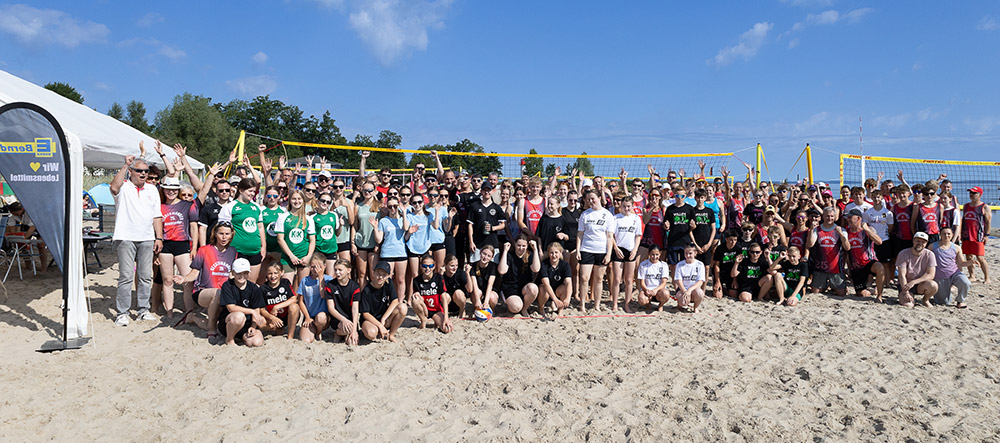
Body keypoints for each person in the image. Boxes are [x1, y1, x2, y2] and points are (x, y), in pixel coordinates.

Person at [110, 155, 164, 326]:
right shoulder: (125, 186)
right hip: (126, 237)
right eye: (139, 170)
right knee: (126, 276)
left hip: (147, 238)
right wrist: (125, 165)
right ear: (131, 172)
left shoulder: (152, 189)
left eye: (146, 171)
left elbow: (157, 216)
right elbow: (114, 187)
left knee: (145, 276)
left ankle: (143, 310)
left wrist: (159, 237)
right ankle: (122, 312)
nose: (143, 174)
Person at [173, 223, 237, 336]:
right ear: (215, 234)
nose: (224, 237)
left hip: (224, 295)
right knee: (218, 293)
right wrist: (184, 278)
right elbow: (195, 272)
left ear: (231, 235)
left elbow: (232, 275)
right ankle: (211, 330)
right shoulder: (204, 250)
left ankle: (192, 318)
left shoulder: (233, 252)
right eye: (221, 233)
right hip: (202, 292)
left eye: (227, 234)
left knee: (222, 323)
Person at [156, 177, 200, 320]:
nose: (171, 192)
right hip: (165, 244)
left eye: (174, 189)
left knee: (187, 281)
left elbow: (194, 226)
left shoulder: (187, 205)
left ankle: (189, 311)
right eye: (168, 189)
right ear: (163, 189)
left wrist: (194, 248)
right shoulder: (159, 206)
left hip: (183, 243)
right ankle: (169, 311)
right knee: (167, 280)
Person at [217, 178, 266, 282]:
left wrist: (263, 246)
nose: (252, 193)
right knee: (237, 282)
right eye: (250, 191)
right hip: (238, 250)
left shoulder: (256, 207)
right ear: (241, 190)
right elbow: (223, 230)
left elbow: (260, 227)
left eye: (254, 191)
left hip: (255, 250)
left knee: (251, 284)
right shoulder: (230, 207)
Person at [576, 189, 615, 311]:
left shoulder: (607, 215)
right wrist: (578, 250)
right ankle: (582, 304)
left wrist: (608, 254)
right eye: (588, 199)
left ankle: (596, 305)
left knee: (598, 279)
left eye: (593, 198)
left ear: (599, 197)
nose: (590, 201)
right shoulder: (585, 214)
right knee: (584, 278)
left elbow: (610, 236)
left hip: (601, 250)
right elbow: (580, 234)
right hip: (587, 249)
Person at [372, 194, 414, 303]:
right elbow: (379, 240)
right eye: (390, 206)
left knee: (400, 279)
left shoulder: (404, 218)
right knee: (387, 279)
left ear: (399, 205)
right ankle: (388, 301)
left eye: (395, 206)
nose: (393, 209)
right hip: (387, 253)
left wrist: (403, 213)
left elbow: (405, 228)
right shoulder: (383, 221)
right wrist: (376, 229)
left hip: (401, 252)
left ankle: (399, 302)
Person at [217, 258, 266, 347]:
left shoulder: (254, 288)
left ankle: (242, 336)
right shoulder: (227, 286)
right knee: (239, 316)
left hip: (247, 325)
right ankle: (230, 339)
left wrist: (253, 326)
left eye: (245, 273)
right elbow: (231, 308)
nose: (242, 276)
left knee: (257, 342)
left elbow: (256, 308)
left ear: (249, 273)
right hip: (230, 323)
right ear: (233, 273)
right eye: (239, 273)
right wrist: (252, 311)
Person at [276, 189, 316, 288]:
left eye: (299, 199)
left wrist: (308, 256)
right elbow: (280, 239)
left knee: (302, 288)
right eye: (294, 199)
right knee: (286, 287)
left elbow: (312, 240)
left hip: (304, 257)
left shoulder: (309, 219)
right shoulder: (283, 217)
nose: (296, 201)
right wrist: (291, 256)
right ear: (290, 200)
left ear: (303, 200)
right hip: (288, 258)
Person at [807, 207, 850, 297]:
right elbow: (810, 244)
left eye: (831, 216)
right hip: (820, 267)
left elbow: (847, 247)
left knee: (841, 293)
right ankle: (825, 285)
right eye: (827, 216)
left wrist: (841, 235)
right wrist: (811, 229)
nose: (829, 218)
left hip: (835, 267)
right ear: (823, 216)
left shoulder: (840, 229)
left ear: (834, 217)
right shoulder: (817, 229)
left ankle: (835, 285)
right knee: (815, 291)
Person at [360, 261, 407, 342]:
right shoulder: (366, 290)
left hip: (383, 318)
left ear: (388, 276)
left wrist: (384, 318)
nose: (380, 277)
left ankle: (391, 334)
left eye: (384, 275)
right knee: (370, 333)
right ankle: (378, 331)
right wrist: (379, 325)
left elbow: (395, 301)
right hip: (370, 320)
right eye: (378, 273)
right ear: (373, 273)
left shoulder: (388, 283)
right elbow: (365, 314)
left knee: (403, 307)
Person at [844, 208, 885, 301]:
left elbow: (879, 241)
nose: (848, 219)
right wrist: (848, 267)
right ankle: (870, 288)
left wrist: (867, 230)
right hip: (856, 267)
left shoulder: (868, 229)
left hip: (868, 262)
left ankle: (879, 295)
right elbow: (846, 251)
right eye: (847, 218)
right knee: (862, 294)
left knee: (880, 268)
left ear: (858, 218)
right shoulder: (846, 231)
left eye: (850, 217)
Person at [610, 193, 642, 312]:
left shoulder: (636, 218)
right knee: (617, 279)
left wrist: (635, 250)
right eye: (624, 206)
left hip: (630, 250)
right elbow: (611, 235)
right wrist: (615, 248)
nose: (626, 208)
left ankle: (627, 304)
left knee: (629, 280)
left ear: (632, 206)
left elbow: (638, 236)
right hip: (618, 250)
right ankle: (614, 304)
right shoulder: (616, 218)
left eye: (628, 206)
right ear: (621, 206)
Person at [931, 226, 975, 308]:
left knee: (966, 283)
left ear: (952, 235)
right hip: (940, 276)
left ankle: (960, 301)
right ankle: (946, 291)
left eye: (948, 234)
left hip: (954, 273)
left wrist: (971, 262)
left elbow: (961, 263)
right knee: (944, 302)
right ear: (940, 235)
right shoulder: (932, 246)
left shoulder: (957, 247)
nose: (946, 236)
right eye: (944, 234)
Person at [497, 236, 542, 316]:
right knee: (516, 307)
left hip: (524, 288)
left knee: (533, 288)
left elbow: (536, 269)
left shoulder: (530, 255)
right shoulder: (509, 255)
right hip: (510, 288)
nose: (521, 248)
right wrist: (505, 251)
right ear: (515, 244)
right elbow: (502, 271)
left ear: (527, 246)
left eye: (523, 246)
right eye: (519, 245)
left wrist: (535, 250)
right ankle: (515, 306)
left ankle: (524, 309)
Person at [410, 254, 454, 333]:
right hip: (424, 309)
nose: (427, 268)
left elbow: (443, 297)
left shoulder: (438, 278)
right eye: (424, 266)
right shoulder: (416, 280)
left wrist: (446, 318)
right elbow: (418, 298)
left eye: (430, 266)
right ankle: (423, 320)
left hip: (436, 310)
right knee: (414, 299)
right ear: (421, 266)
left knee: (447, 329)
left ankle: (436, 320)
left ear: (434, 266)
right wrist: (424, 308)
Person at [297, 253, 333, 343]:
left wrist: (321, 276)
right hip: (310, 316)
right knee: (306, 340)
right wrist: (307, 317)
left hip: (323, 317)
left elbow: (323, 295)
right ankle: (313, 330)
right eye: (312, 267)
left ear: (324, 266)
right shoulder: (305, 280)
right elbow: (301, 301)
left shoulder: (329, 280)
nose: (315, 269)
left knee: (321, 318)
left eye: (319, 266)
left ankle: (319, 332)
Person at [258, 261, 299, 339]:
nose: (273, 276)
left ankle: (290, 336)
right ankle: (278, 329)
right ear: (266, 274)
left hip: (287, 316)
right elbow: (262, 310)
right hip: (273, 318)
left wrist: (276, 307)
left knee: (294, 307)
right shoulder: (263, 288)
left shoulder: (285, 283)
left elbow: (294, 299)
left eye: (276, 273)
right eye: (270, 273)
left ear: (282, 273)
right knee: (261, 323)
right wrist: (272, 318)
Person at [896, 232, 938, 308]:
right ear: (913, 241)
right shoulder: (903, 253)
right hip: (906, 284)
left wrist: (914, 282)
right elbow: (902, 275)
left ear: (926, 243)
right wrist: (906, 293)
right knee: (908, 305)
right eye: (918, 241)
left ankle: (925, 300)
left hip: (920, 283)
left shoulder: (930, 254)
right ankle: (905, 296)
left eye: (923, 242)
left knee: (933, 285)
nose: (920, 243)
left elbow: (931, 274)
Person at [325, 258, 362, 345]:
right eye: (335, 270)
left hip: (350, 320)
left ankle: (342, 334)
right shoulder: (330, 285)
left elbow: (355, 309)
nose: (337, 272)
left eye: (340, 270)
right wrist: (343, 320)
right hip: (337, 319)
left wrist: (354, 331)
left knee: (352, 342)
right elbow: (331, 308)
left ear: (348, 270)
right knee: (347, 329)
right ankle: (337, 333)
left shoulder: (355, 287)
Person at [962, 186, 992, 284]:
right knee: (968, 256)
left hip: (978, 235)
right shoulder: (966, 206)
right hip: (967, 235)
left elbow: (988, 222)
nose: (971, 195)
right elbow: (964, 220)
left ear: (980, 195)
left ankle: (987, 278)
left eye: (974, 193)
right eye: (970, 193)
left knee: (980, 257)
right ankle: (972, 276)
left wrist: (987, 235)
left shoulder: (984, 207)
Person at [353, 182, 380, 288]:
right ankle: (363, 297)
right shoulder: (358, 206)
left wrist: (379, 244)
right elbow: (355, 226)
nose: (367, 193)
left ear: (374, 191)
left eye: (370, 190)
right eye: (365, 190)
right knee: (362, 274)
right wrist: (352, 243)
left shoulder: (379, 205)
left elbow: (382, 227)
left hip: (374, 243)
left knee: (374, 274)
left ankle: (374, 298)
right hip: (361, 242)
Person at [311, 192, 342, 276]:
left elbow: (337, 233)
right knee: (317, 275)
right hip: (318, 250)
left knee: (330, 277)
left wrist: (341, 225)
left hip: (331, 250)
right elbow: (311, 236)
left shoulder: (333, 215)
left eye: (328, 202)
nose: (325, 203)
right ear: (318, 201)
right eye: (323, 200)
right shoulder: (312, 217)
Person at [538, 242, 573, 317]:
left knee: (565, 287)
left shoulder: (565, 265)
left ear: (560, 253)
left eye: (556, 252)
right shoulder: (544, 264)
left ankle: (560, 310)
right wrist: (555, 299)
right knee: (543, 288)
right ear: (548, 253)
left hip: (558, 290)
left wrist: (568, 298)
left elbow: (569, 283)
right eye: (551, 253)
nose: (554, 255)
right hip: (547, 290)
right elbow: (546, 284)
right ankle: (541, 308)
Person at [673, 245, 706, 313]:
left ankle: (695, 307)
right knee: (683, 302)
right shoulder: (680, 264)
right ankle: (679, 305)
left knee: (700, 293)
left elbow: (700, 281)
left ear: (695, 253)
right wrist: (684, 291)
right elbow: (678, 280)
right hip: (683, 288)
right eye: (686, 253)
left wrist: (690, 290)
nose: (688, 255)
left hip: (694, 289)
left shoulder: (700, 264)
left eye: (690, 253)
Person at [330, 178, 356, 263]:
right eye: (335, 187)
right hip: (331, 239)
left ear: (344, 187)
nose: (338, 189)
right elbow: (326, 219)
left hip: (344, 238)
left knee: (345, 267)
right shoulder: (328, 201)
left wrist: (347, 207)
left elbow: (352, 222)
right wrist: (333, 207)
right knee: (332, 270)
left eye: (340, 187)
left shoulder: (350, 202)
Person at [637, 245, 670, 311]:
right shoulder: (643, 265)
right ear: (649, 254)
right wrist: (646, 290)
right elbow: (642, 282)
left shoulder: (664, 265)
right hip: (647, 290)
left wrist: (656, 290)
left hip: (659, 291)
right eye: (652, 255)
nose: (655, 257)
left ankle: (660, 305)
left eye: (657, 254)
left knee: (666, 294)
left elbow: (664, 283)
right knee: (641, 299)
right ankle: (648, 305)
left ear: (660, 253)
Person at [469, 244, 500, 312]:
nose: (485, 257)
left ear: (492, 258)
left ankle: (491, 310)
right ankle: (477, 308)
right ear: (480, 252)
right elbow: (474, 284)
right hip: (478, 291)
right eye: (484, 254)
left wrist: (486, 302)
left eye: (489, 256)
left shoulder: (493, 266)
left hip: (489, 291)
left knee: (492, 297)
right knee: (477, 292)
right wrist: (477, 300)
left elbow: (490, 285)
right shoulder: (473, 265)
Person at [712, 230, 742, 298]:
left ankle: (725, 289)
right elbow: (716, 265)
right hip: (721, 273)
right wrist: (717, 281)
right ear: (726, 239)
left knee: (733, 294)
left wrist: (735, 280)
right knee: (717, 296)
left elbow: (738, 266)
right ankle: (722, 287)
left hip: (732, 274)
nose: (733, 242)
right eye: (731, 240)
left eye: (735, 240)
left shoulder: (738, 248)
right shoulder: (720, 249)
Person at [441, 255, 472, 319]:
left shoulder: (460, 273)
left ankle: (462, 311)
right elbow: (437, 291)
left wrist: (467, 274)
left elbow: (470, 289)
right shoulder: (442, 275)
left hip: (459, 303)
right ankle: (445, 313)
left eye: (456, 265)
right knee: (445, 295)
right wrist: (440, 275)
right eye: (452, 266)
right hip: (446, 304)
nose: (455, 268)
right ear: (445, 265)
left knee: (458, 293)